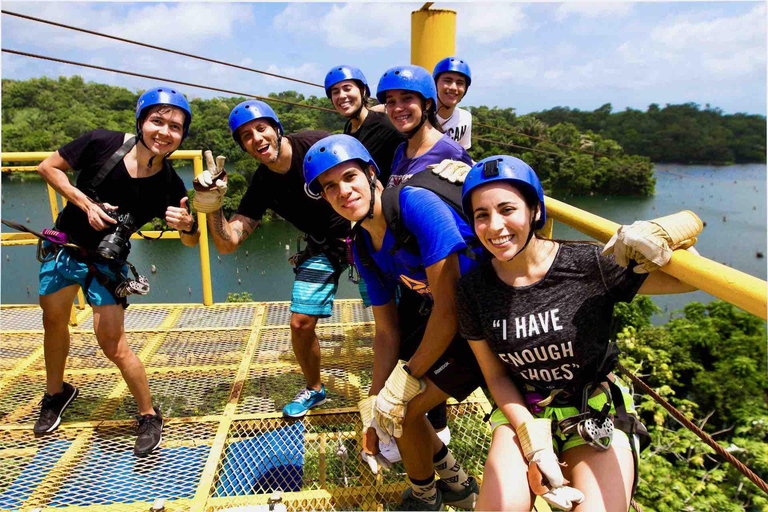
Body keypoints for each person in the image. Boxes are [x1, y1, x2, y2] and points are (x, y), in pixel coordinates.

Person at [456, 155, 703, 511]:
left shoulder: (589, 265)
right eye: (482, 215)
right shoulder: (474, 289)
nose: (495, 226)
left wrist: (662, 235)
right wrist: (532, 439)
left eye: (508, 209)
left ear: (535, 212)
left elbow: (686, 283)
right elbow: (494, 373)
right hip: (523, 407)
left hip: (592, 408)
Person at [303, 134, 484, 511]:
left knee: (404, 407)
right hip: (450, 323)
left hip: (485, 325)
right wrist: (374, 397)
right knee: (392, 406)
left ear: (372, 174)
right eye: (330, 187)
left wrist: (404, 381)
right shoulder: (364, 244)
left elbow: (449, 308)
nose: (343, 191)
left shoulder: (415, 205)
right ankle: (454, 485)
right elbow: (386, 330)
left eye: (350, 177)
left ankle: (426, 496)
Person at [35, 86, 200, 456]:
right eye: (157, 121)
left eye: (175, 127)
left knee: (112, 344)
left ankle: (148, 414)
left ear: (182, 136)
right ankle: (56, 393)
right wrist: (85, 202)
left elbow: (191, 242)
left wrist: (187, 225)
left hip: (106, 264)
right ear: (141, 121)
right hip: (64, 249)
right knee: (53, 323)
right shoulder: (101, 143)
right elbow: (48, 167)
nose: (164, 132)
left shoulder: (169, 183)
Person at [193, 100, 349, 419]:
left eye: (261, 128)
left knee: (393, 312)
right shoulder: (263, 183)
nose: (257, 139)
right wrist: (212, 206)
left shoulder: (314, 145)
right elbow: (228, 242)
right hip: (325, 246)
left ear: (277, 128)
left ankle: (405, 380)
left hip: (363, 229)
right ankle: (315, 389)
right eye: (247, 136)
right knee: (300, 322)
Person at [376, 64, 473, 188]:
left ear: (427, 103)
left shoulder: (451, 152)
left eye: (407, 99)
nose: (398, 108)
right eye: (391, 102)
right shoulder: (401, 150)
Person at [324, 64, 404, 186]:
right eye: (335, 92)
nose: (341, 95)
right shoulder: (348, 130)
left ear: (363, 90)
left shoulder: (385, 126)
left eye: (347, 88)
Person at [433, 57, 473, 150]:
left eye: (460, 83)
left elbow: (462, 155)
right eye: (447, 80)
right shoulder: (419, 117)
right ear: (435, 84)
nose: (453, 87)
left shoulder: (465, 118)